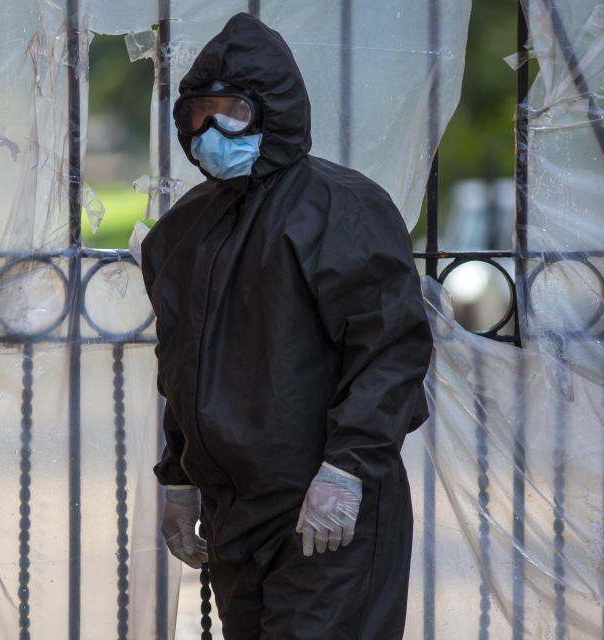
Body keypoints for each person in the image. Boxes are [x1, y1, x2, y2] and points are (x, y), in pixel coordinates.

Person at [140, 12, 433, 640]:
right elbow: (183, 368)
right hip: (234, 512)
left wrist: (347, 471)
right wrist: (181, 476)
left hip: (325, 507)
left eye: (232, 112)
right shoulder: (182, 231)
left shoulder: (340, 209)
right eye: (198, 114)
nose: (212, 130)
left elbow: (389, 351)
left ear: (274, 112)